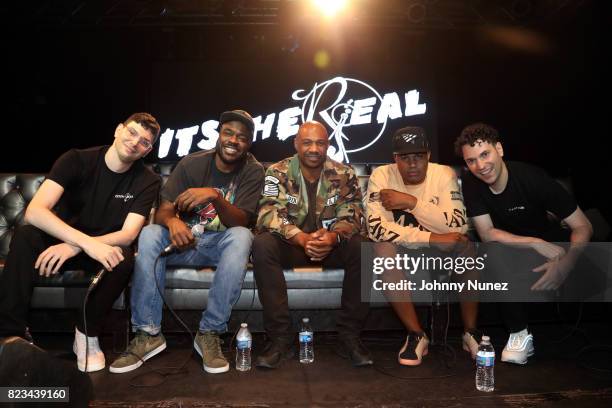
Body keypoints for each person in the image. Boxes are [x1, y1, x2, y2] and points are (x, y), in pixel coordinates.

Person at [0, 113, 162, 372]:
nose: (134, 142)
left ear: (147, 151)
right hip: (60, 242)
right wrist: (79, 242)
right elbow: (35, 211)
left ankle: (86, 334)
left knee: (123, 255)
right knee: (25, 236)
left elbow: (129, 234)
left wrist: (77, 246)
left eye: (144, 142)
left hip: (98, 249)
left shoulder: (147, 180)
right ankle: (11, 335)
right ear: (118, 130)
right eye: (131, 132)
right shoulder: (76, 159)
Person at [110, 110, 264, 374]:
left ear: (248, 143)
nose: (233, 140)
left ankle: (209, 332)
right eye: (228, 132)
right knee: (149, 233)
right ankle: (148, 333)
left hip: (221, 247)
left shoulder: (253, 170)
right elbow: (164, 211)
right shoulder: (192, 164)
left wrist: (215, 196)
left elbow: (241, 221)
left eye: (242, 137)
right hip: (185, 244)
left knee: (242, 236)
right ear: (219, 133)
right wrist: (172, 222)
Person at [455, 122, 592, 364]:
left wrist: (567, 263)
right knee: (491, 250)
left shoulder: (533, 178)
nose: (480, 166)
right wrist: (533, 242)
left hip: (552, 249)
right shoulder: (471, 181)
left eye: (485, 154)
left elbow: (583, 226)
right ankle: (519, 334)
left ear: (499, 149)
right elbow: (487, 233)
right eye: (471, 160)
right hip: (512, 250)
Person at [253, 121, 372, 368]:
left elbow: (353, 213)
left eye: (320, 143)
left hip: (330, 246)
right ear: (296, 144)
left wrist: (333, 237)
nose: (313, 148)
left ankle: (349, 337)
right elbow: (269, 212)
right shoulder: (277, 172)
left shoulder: (344, 173)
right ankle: (279, 339)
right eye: (307, 142)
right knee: (263, 244)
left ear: (328, 145)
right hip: (293, 245)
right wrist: (301, 237)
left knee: (361, 247)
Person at [365, 126, 478, 366]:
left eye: (418, 156)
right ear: (395, 159)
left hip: (437, 247)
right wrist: (431, 237)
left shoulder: (443, 174)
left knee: (465, 246)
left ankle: (471, 332)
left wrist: (411, 203)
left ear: (428, 155)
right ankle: (416, 334)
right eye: (405, 158)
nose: (412, 164)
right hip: (407, 246)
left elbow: (456, 226)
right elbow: (376, 229)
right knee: (382, 249)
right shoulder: (382, 176)